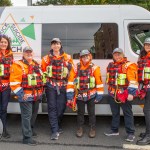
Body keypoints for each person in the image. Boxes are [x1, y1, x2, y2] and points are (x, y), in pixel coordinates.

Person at [10, 46, 43, 146]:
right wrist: (21, 94)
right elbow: (13, 83)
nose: (29, 54)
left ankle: (30, 130)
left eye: (30, 52)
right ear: (23, 54)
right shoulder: (17, 65)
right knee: (26, 116)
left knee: (34, 114)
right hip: (25, 96)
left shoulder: (36, 64)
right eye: (26, 52)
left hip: (36, 96)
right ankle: (27, 138)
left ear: (33, 54)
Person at [67, 49, 104, 138]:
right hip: (79, 95)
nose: (85, 58)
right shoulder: (75, 67)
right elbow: (71, 82)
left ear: (90, 56)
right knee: (80, 113)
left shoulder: (95, 68)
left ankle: (92, 128)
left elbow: (99, 82)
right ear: (80, 58)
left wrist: (99, 95)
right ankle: (80, 128)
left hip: (91, 95)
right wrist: (70, 95)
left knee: (91, 113)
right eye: (83, 56)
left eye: (87, 56)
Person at [41, 38, 73, 140]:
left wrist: (69, 66)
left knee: (61, 107)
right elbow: (42, 73)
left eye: (57, 44)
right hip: (51, 86)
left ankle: (57, 125)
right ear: (51, 46)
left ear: (60, 45)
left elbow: (72, 72)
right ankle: (54, 130)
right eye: (54, 44)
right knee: (52, 108)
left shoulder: (67, 57)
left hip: (63, 86)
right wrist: (44, 85)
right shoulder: (45, 59)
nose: (56, 46)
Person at [104, 48, 138, 142]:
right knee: (115, 113)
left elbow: (133, 80)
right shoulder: (110, 65)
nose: (117, 56)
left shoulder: (129, 65)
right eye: (115, 54)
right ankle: (114, 130)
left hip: (124, 93)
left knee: (127, 113)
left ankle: (131, 133)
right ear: (113, 56)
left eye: (119, 54)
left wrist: (131, 93)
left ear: (123, 55)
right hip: (112, 93)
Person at [136, 37, 150, 145]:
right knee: (146, 111)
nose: (147, 46)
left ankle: (148, 136)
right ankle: (147, 132)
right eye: (146, 44)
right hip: (146, 87)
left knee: (147, 111)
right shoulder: (143, 57)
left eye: (149, 45)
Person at [0, 34, 13, 139]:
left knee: (4, 108)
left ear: (8, 44)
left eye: (5, 42)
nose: (3, 44)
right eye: (1, 42)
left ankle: (4, 130)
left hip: (6, 87)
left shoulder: (10, 55)